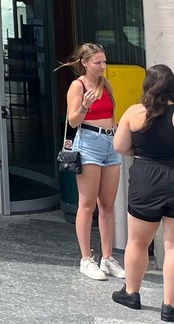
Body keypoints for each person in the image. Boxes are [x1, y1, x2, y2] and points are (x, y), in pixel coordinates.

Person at [111, 64, 174, 317]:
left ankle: (131, 292)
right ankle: (170, 305)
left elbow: (120, 147)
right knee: (172, 245)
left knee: (137, 242)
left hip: (145, 178)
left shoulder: (135, 112)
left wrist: (142, 153)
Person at [59, 42, 124, 280]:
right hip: (88, 143)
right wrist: (85, 105)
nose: (102, 66)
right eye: (97, 62)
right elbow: (73, 121)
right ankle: (86, 259)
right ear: (84, 63)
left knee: (108, 203)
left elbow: (111, 114)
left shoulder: (104, 84)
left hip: (110, 142)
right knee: (87, 205)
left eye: (104, 61)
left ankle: (107, 258)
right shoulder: (78, 86)